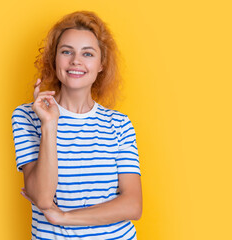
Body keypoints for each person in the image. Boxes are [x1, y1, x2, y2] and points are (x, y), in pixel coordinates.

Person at [11, 10, 142, 239]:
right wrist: (49, 125)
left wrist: (64, 217)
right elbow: (42, 197)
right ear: (55, 58)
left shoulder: (119, 124)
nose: (76, 61)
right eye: (66, 51)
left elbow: (133, 205)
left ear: (102, 64)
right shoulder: (27, 116)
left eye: (88, 53)